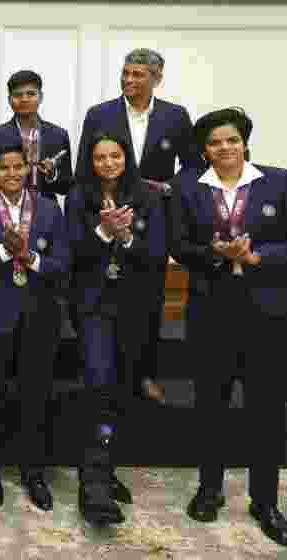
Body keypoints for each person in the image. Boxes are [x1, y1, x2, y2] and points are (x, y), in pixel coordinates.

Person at [171, 108, 287, 547]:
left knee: (266, 410)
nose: (225, 148)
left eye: (232, 140)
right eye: (216, 142)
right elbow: (179, 246)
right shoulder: (189, 189)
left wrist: (259, 257)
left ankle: (265, 502)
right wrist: (216, 251)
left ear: (244, 143)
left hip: (266, 311)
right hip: (212, 308)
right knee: (211, 406)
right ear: (205, 149)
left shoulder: (277, 182)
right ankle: (209, 489)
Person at [77, 48, 203, 404]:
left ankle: (145, 375)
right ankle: (105, 376)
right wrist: (96, 209)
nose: (129, 80)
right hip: (104, 209)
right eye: (126, 73)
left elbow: (193, 167)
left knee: (149, 299)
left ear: (156, 79)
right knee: (102, 296)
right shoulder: (99, 114)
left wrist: (169, 188)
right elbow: (84, 167)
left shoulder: (175, 116)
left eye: (138, 75)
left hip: (153, 215)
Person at [0, 143, 68, 511]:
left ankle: (33, 472)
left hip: (38, 317)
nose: (11, 174)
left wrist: (30, 257)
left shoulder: (50, 209)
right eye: (3, 167)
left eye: (18, 167)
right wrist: (4, 253)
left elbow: (62, 264)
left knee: (34, 397)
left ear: (28, 169)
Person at [65, 131, 166, 525]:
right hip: (92, 304)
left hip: (134, 305)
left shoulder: (149, 196)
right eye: (100, 157)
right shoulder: (77, 197)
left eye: (115, 155)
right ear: (90, 162)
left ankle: (102, 469)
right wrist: (104, 232)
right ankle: (94, 486)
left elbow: (157, 253)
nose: (107, 163)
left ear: (126, 158)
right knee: (99, 383)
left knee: (121, 388)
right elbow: (71, 249)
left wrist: (126, 238)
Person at [0, 70, 72, 198]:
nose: (24, 99)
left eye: (31, 94)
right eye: (18, 95)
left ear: (41, 97)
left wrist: (51, 174)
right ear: (9, 100)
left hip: (45, 210)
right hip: (5, 210)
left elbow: (66, 187)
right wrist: (9, 174)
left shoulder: (58, 135)